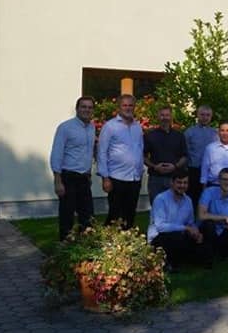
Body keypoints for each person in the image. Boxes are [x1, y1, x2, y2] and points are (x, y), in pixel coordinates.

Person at [49, 96, 96, 240]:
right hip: (68, 177)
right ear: (77, 109)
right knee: (67, 215)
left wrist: (89, 174)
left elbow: (88, 153)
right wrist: (58, 181)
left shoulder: (92, 128)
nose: (86, 110)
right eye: (83, 107)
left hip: (84, 178)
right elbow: (56, 154)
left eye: (90, 107)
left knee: (87, 215)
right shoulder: (65, 127)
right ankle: (64, 245)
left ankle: (85, 245)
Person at [98, 94, 145, 229]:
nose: (128, 108)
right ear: (119, 107)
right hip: (116, 178)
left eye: (131, 105)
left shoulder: (137, 126)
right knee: (115, 215)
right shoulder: (110, 126)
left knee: (130, 214)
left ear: (134, 107)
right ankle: (108, 240)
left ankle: (127, 240)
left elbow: (140, 149)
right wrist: (105, 178)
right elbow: (102, 152)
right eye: (124, 105)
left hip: (134, 178)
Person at [147, 172, 210, 269]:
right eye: (179, 182)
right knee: (176, 238)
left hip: (180, 236)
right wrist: (185, 228)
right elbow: (160, 227)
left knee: (202, 242)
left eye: (185, 183)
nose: (182, 186)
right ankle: (169, 262)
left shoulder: (188, 200)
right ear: (172, 183)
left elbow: (190, 223)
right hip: (159, 238)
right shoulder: (161, 199)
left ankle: (179, 259)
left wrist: (196, 233)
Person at [143, 105, 188, 207]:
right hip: (155, 179)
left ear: (171, 117)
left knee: (175, 208)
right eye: (162, 115)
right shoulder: (150, 135)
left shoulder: (179, 136)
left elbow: (185, 156)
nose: (165, 118)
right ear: (158, 117)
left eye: (167, 115)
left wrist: (175, 166)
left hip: (174, 179)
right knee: (156, 207)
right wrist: (154, 166)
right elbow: (143, 157)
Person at [183, 105, 218, 207]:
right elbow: (184, 151)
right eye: (202, 114)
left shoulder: (215, 133)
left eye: (208, 115)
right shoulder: (189, 132)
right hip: (194, 170)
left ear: (211, 116)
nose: (205, 117)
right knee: (192, 198)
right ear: (197, 115)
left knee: (208, 200)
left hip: (210, 172)